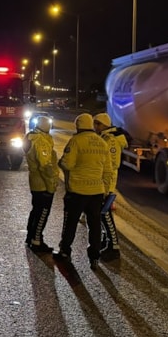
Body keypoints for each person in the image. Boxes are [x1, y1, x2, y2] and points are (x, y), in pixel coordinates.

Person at [54, 113, 113, 270]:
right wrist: (105, 190)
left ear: (78, 126)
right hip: (96, 192)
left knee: (70, 223)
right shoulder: (102, 143)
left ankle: (65, 251)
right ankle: (94, 256)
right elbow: (108, 170)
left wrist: (61, 162)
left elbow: (67, 164)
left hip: (77, 191)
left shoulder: (76, 141)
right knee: (94, 225)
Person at [94, 112, 129, 258]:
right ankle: (106, 240)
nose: (94, 127)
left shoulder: (111, 140)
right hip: (103, 180)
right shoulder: (105, 137)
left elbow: (113, 164)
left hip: (107, 182)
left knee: (105, 214)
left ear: (103, 125)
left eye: (97, 124)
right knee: (102, 214)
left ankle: (113, 246)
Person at [24, 115, 59, 252]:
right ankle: (37, 241)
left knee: (36, 210)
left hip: (35, 181)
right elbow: (45, 165)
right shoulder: (40, 140)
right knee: (43, 212)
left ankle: (31, 236)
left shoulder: (32, 137)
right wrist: (51, 184)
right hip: (43, 182)